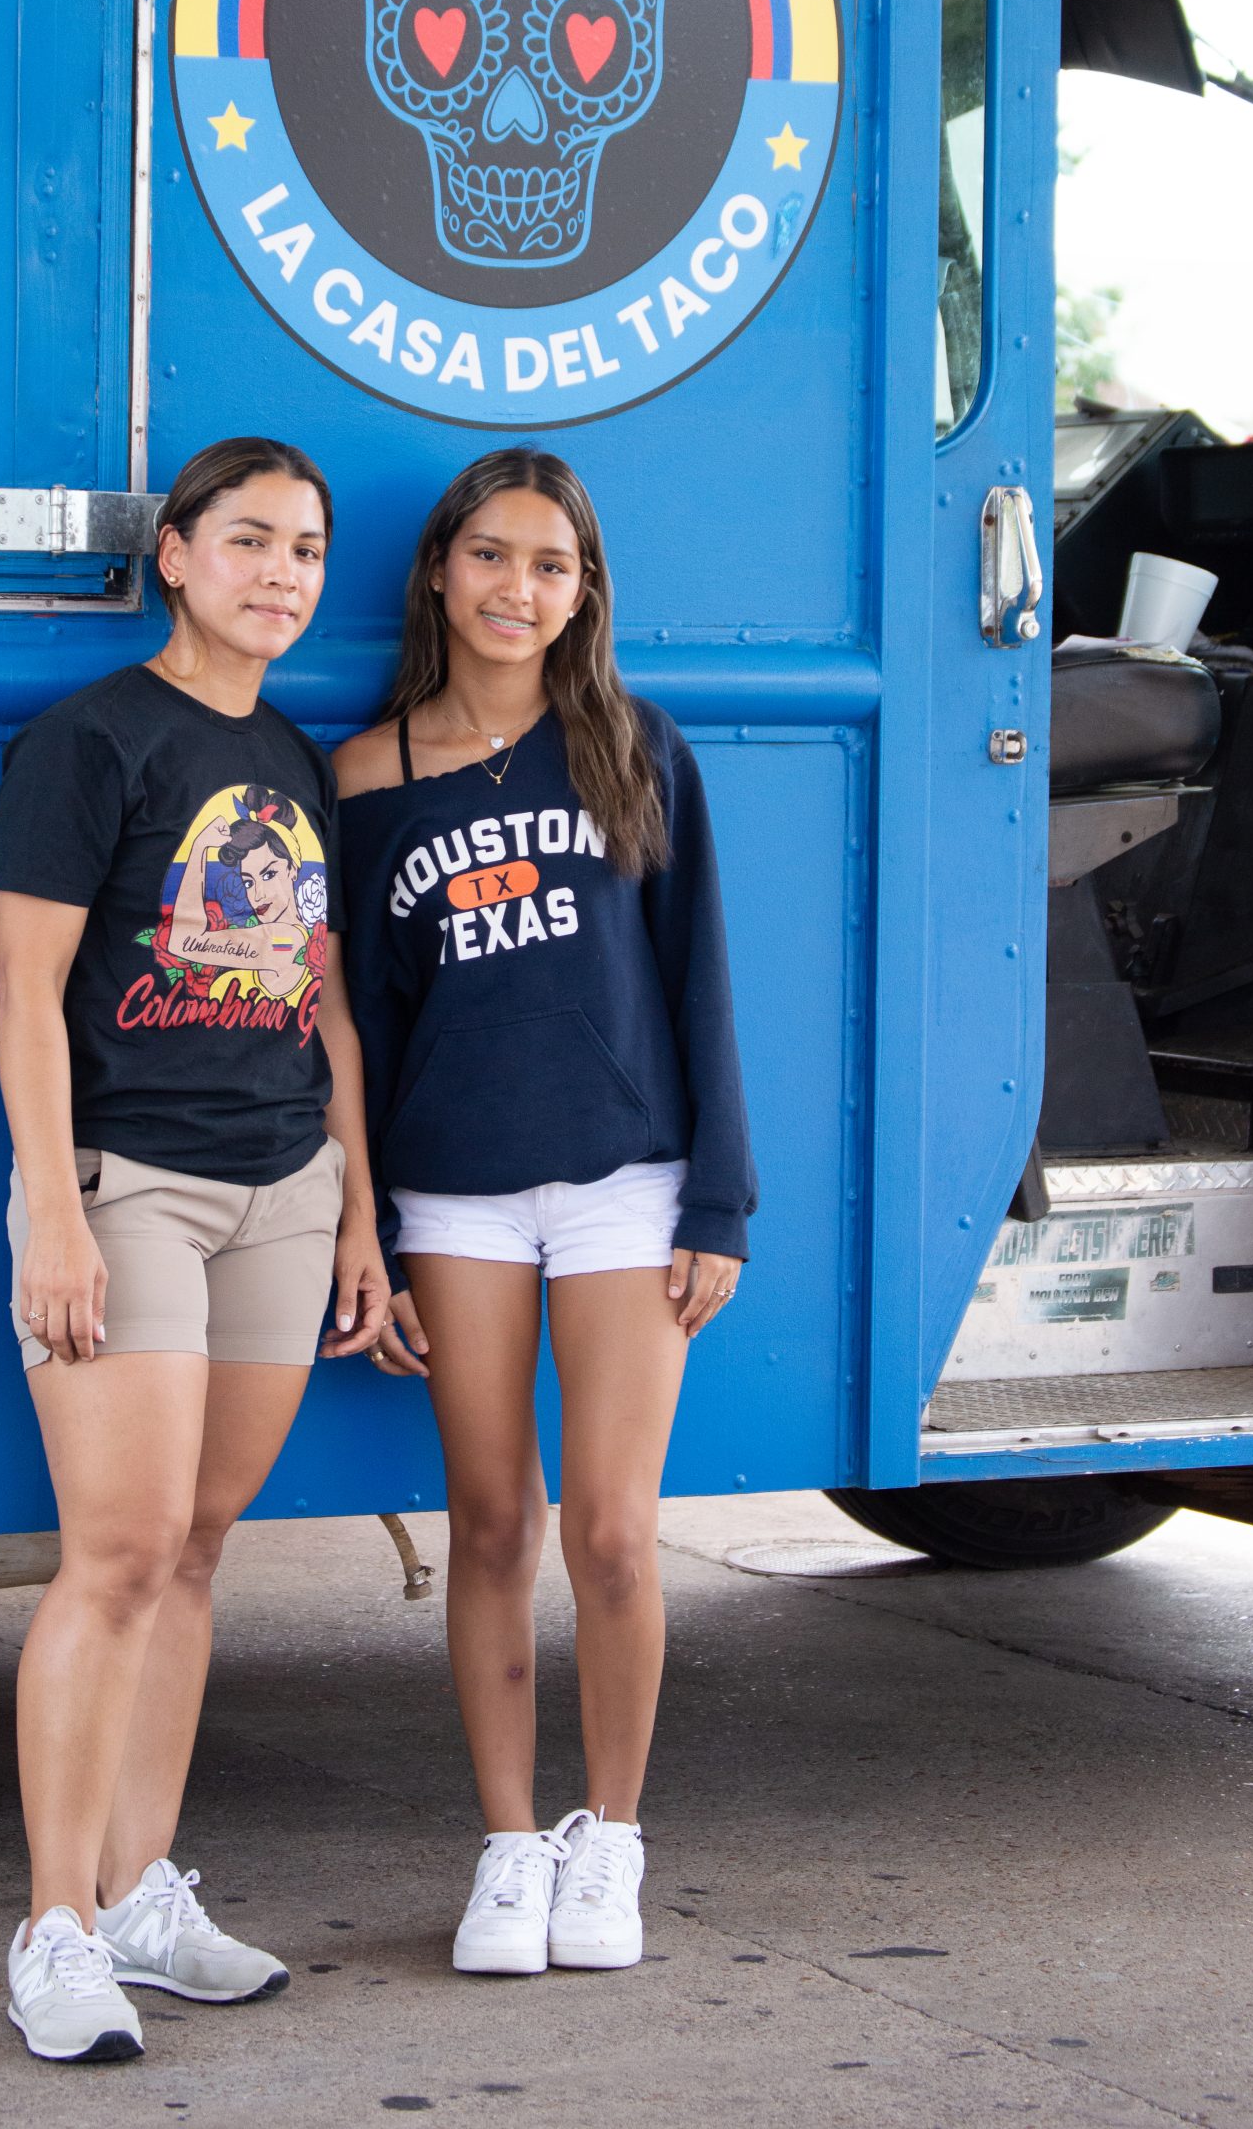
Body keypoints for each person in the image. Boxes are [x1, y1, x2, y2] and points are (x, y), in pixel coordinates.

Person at [0, 436, 387, 2061]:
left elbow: (327, 1003)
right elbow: (27, 1000)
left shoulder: (296, 760)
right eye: (247, 542)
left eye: (303, 550)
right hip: (130, 1185)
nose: (279, 575)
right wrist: (57, 1212)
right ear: (176, 555)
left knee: (205, 1548)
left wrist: (360, 1207)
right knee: (121, 1552)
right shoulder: (88, 742)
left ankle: (145, 1889)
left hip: (284, 1190)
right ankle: (56, 1927)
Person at [336, 447, 755, 1978]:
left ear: (585, 593)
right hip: (451, 1196)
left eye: (553, 566)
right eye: (495, 556)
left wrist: (722, 1197)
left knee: (616, 1534)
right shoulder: (365, 777)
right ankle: (511, 1849)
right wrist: (365, 1231)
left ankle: (613, 1842)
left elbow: (698, 976)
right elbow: (354, 1031)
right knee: (494, 1525)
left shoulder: (633, 747)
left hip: (627, 1193)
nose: (521, 589)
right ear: (442, 569)